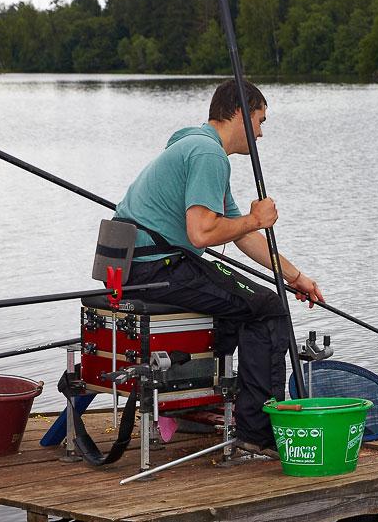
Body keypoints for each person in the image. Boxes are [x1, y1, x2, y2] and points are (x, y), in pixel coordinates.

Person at [114, 79, 324, 456]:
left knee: (247, 304)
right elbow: (201, 232)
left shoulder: (195, 145)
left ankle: (194, 406)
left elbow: (239, 235)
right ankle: (259, 433)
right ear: (240, 112)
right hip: (157, 269)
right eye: (260, 120)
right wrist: (254, 219)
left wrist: (295, 278)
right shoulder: (207, 154)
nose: (260, 133)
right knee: (268, 308)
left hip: (140, 266)